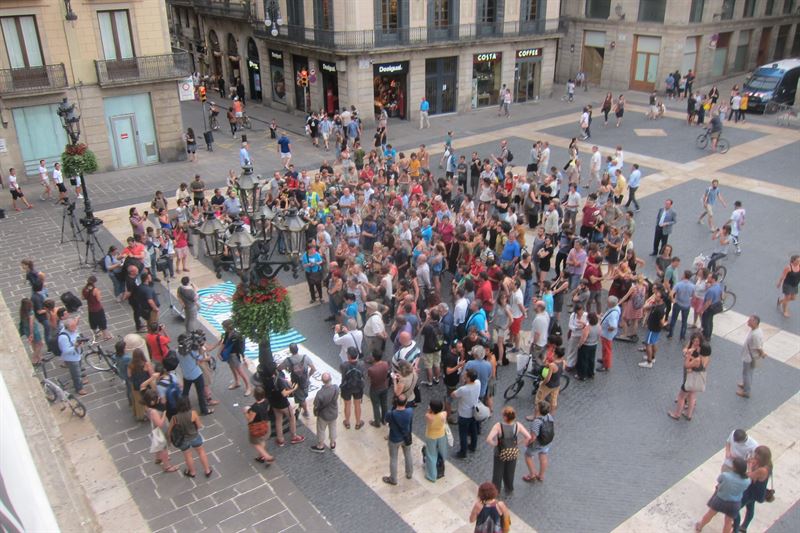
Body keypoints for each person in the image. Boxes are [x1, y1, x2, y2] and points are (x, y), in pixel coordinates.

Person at [695, 457, 750, 533]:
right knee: (728, 522)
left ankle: (700, 526)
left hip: (721, 499)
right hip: (735, 503)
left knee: (710, 514)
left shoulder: (726, 476)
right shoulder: (747, 481)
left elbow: (719, 481)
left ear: (734, 467)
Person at [486, 406, 531, 494]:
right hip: (512, 452)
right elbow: (528, 437)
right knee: (510, 471)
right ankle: (509, 488)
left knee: (497, 473)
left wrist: (495, 444)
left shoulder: (498, 426)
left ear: (505, 417)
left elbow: (488, 439)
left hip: (500, 453)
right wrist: (518, 443)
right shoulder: (518, 425)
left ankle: (496, 491)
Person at [668, 334, 710, 421]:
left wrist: (688, 356)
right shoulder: (706, 359)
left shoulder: (697, 360)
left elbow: (687, 365)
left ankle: (677, 414)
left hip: (690, 379)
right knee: (692, 396)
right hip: (696, 381)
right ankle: (689, 415)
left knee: (681, 397)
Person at [168, 397, 213, 478]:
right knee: (201, 452)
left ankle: (192, 472)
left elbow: (169, 431)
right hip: (194, 436)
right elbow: (199, 426)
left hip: (183, 440)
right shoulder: (193, 413)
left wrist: (169, 440)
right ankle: (207, 470)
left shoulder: (174, 418)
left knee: (188, 455)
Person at [733, 445, 772, 533]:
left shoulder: (762, 470)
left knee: (735, 509)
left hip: (752, 491)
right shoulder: (768, 464)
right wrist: (753, 463)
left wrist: (750, 465)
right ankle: (744, 526)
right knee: (750, 507)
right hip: (757, 490)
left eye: (757, 455)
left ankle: (735, 529)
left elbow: (749, 476)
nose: (754, 455)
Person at [264, 366, 305, 446]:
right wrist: (293, 389)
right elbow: (284, 393)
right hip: (283, 404)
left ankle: (280, 439)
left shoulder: (265, 381)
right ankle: (294, 437)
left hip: (274, 404)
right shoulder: (278, 380)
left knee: (278, 420)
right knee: (292, 418)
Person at [176, 333, 212, 415]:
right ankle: (204, 410)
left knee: (185, 393)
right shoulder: (192, 352)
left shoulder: (177, 351)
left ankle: (183, 407)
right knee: (200, 393)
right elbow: (200, 358)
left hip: (186, 375)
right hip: (196, 374)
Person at [382, 395, 414, 485]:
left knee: (393, 458)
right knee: (408, 455)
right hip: (406, 437)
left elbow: (385, 421)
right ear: (406, 402)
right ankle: (409, 473)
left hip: (394, 438)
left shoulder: (390, 413)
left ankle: (393, 479)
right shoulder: (410, 411)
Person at [280, 342, 315, 418]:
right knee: (303, 396)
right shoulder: (305, 357)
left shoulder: (288, 360)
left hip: (296, 383)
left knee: (302, 399)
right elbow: (313, 368)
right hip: (305, 381)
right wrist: (308, 376)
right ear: (297, 349)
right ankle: (301, 407)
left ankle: (306, 412)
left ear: (290, 351)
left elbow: (279, 368)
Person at [523, 400, 555, 482]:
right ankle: (541, 476)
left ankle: (532, 474)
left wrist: (528, 443)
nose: (535, 406)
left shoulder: (536, 422)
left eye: (537, 406)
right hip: (547, 442)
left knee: (528, 456)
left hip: (538, 443)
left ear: (539, 410)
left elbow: (533, 437)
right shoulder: (549, 416)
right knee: (543, 456)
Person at [452, 369, 480, 459]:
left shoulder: (463, 389)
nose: (464, 375)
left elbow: (453, 395)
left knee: (463, 433)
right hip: (474, 412)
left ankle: (463, 452)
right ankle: (473, 446)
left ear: (468, 378)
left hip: (464, 414)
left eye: (465, 375)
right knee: (474, 430)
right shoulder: (478, 383)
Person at [243, 386, 275, 464]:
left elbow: (250, 420)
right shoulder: (267, 401)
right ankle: (260, 457)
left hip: (257, 427)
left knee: (255, 443)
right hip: (266, 424)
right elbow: (266, 410)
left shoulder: (255, 408)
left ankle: (267, 457)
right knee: (262, 440)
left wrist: (245, 412)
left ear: (255, 396)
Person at [639, 288, 668, 369]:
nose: (655, 297)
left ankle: (649, 362)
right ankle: (652, 357)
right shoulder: (661, 305)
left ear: (661, 299)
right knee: (654, 342)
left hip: (652, 328)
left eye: (657, 296)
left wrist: (664, 324)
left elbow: (662, 322)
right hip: (656, 329)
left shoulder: (659, 310)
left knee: (648, 344)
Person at [738, 315, 766, 399]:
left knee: (747, 374)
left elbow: (758, 347)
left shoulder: (755, 335)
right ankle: (745, 384)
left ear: (755, 322)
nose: (748, 322)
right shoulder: (756, 330)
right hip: (749, 355)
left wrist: (762, 354)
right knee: (747, 372)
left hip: (749, 357)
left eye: (750, 321)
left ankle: (746, 392)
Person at [310, 373, 339, 453]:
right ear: (331, 379)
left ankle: (320, 446)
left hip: (323, 415)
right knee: (333, 428)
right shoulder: (336, 388)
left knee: (321, 430)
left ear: (322, 381)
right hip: (333, 413)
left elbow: (316, 405)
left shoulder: (320, 393)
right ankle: (332, 444)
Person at [58, 317, 87, 395]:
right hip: (71, 358)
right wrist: (76, 346)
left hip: (78, 355)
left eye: (75, 326)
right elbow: (65, 351)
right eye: (72, 327)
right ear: (67, 327)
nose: (75, 328)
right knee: (76, 373)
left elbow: (77, 337)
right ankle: (79, 388)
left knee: (79, 370)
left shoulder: (73, 330)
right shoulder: (63, 337)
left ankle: (80, 381)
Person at [423, 399, 448, 482]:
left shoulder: (429, 416)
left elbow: (428, 413)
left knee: (431, 455)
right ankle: (442, 465)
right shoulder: (444, 414)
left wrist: (429, 410)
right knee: (442, 451)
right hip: (441, 435)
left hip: (431, 436)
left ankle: (432, 476)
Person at [81, 275, 112, 340]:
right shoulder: (95, 290)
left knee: (93, 321)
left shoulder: (84, 289)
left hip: (90, 309)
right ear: (94, 282)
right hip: (98, 308)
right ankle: (106, 336)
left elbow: (83, 298)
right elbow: (98, 299)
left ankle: (96, 334)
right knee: (102, 321)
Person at [367, 351, 390, 427]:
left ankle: (377, 422)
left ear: (373, 358)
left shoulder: (371, 369)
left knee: (376, 405)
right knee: (384, 403)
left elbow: (370, 380)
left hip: (375, 389)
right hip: (384, 386)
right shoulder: (386, 364)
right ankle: (384, 420)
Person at [18, 297, 44, 365]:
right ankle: (34, 358)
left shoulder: (22, 311)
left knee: (33, 344)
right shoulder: (31, 312)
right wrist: (32, 334)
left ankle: (39, 357)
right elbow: (31, 324)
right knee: (40, 344)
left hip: (26, 330)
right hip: (33, 331)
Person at [598, 296, 621, 372]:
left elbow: (613, 326)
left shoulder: (613, 314)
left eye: (607, 302)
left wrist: (606, 329)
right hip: (606, 333)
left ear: (611, 304)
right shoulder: (616, 308)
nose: (606, 303)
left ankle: (606, 365)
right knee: (604, 348)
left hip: (607, 334)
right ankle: (604, 359)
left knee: (607, 349)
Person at [575, 312, 600, 381]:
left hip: (586, 346)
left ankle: (582, 375)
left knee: (583, 360)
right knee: (591, 359)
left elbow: (583, 338)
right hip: (594, 345)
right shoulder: (598, 326)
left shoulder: (587, 328)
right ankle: (591, 373)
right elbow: (599, 335)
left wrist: (579, 345)